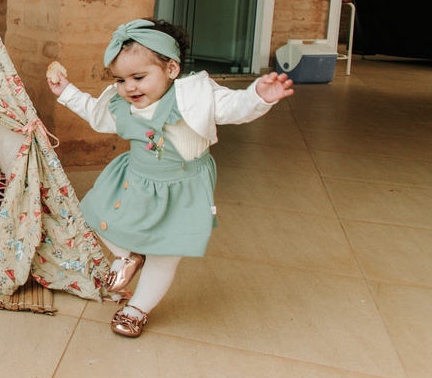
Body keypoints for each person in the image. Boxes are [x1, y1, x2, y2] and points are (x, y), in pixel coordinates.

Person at [47, 18, 294, 338]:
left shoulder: (195, 97)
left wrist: (258, 96)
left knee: (164, 256)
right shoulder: (123, 102)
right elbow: (97, 114)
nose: (129, 87)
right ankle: (128, 255)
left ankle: (136, 309)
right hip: (135, 177)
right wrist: (66, 91)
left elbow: (233, 107)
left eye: (139, 77)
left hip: (181, 188)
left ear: (172, 69)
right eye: (120, 79)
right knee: (94, 213)